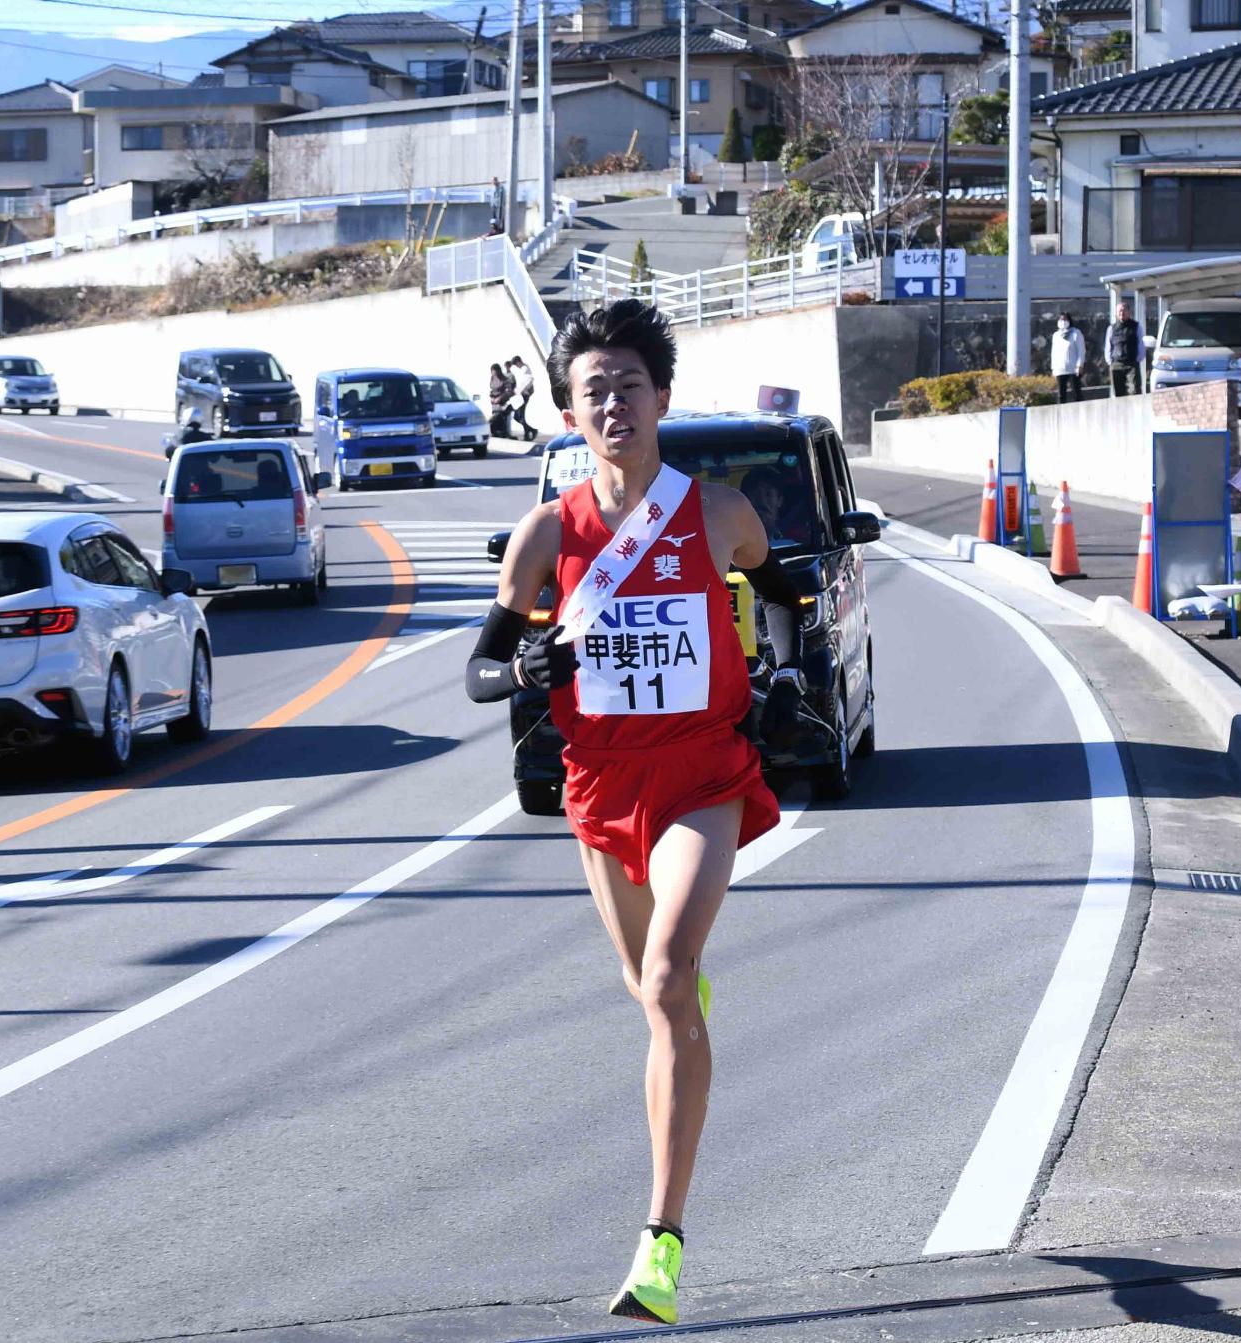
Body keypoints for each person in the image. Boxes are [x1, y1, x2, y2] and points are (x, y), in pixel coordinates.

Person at [466, 299, 808, 1327]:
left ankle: (659, 1242)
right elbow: (481, 670)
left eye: (627, 384)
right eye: (591, 391)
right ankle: (683, 1019)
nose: (612, 403)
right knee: (651, 992)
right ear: (570, 415)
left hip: (701, 773)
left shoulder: (715, 510)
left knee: (665, 979)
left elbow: (782, 589)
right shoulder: (545, 534)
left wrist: (781, 676)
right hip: (599, 786)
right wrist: (521, 660)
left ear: (660, 394)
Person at [1105, 300, 1142, 397]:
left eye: (1124, 310)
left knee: (1135, 390)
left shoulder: (1136, 326)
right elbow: (1108, 346)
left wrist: (1138, 359)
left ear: (1129, 312)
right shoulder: (1111, 328)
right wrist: (1110, 361)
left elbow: (1140, 344)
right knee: (1118, 393)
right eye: (1119, 311)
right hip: (1116, 363)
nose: (1122, 313)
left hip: (1131, 363)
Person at [1050, 312, 1086, 403]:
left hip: (1073, 369)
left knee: (1076, 393)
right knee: (1061, 395)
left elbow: (1081, 350)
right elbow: (1054, 353)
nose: (1063, 321)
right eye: (1061, 319)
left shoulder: (1076, 333)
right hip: (1060, 369)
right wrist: (1053, 368)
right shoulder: (1056, 335)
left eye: (1065, 319)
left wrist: (1080, 365)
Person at [511, 354, 538, 440]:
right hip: (519, 395)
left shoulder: (525, 369)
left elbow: (530, 379)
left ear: (519, 362)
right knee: (517, 416)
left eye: (516, 364)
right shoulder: (521, 370)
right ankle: (531, 431)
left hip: (523, 395)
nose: (516, 366)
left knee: (520, 415)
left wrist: (523, 390)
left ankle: (529, 433)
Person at [488, 361, 514, 439]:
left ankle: (504, 432)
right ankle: (495, 432)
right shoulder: (492, 378)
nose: (494, 374)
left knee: (500, 417)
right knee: (494, 418)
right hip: (494, 402)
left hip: (502, 402)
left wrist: (500, 398)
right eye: (492, 372)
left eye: (495, 372)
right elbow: (492, 389)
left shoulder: (505, 379)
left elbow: (508, 391)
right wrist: (492, 397)